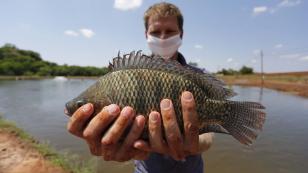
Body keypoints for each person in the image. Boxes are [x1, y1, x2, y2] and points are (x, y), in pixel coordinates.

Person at [66, 2, 214, 173]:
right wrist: (115, 143)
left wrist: (195, 143)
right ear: (146, 34)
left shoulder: (200, 76)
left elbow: (209, 135)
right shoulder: (122, 77)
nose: (163, 37)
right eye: (156, 32)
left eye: (170, 31)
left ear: (181, 33)